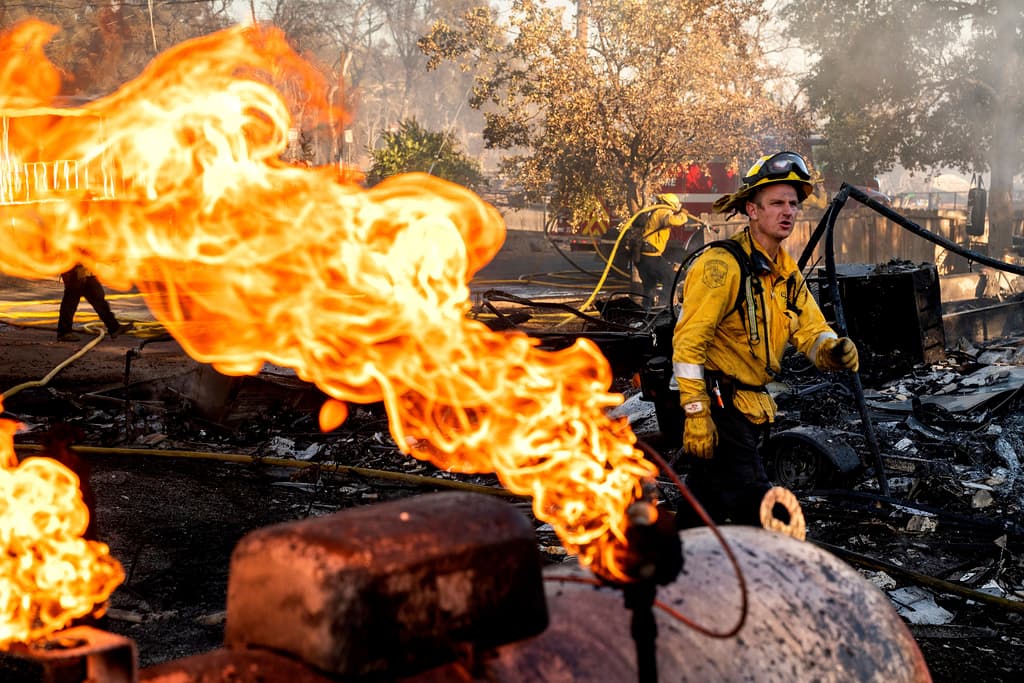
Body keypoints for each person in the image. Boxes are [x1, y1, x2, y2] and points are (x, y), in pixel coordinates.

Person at [671, 151, 859, 526]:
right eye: (776, 203)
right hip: (716, 405)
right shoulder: (721, 266)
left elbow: (810, 329)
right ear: (752, 210)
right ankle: (783, 561)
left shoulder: (785, 272)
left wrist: (832, 349)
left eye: (792, 203)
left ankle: (673, 557)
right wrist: (696, 413)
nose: (788, 211)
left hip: (749, 407)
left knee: (704, 504)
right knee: (762, 510)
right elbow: (688, 344)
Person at [634, 192, 690, 309]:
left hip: (643, 256)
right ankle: (665, 306)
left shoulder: (655, 211)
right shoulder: (663, 211)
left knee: (650, 284)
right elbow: (672, 221)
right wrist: (683, 215)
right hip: (651, 256)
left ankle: (647, 309)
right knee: (670, 278)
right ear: (672, 204)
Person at [56, 264, 132, 341]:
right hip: (75, 273)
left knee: (99, 300)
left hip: (87, 272)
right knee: (70, 303)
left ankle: (114, 327)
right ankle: (64, 333)